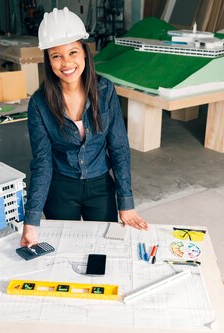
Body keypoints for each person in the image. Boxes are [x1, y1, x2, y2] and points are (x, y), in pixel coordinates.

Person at [21, 8, 148, 247]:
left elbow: (119, 147)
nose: (66, 63)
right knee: (67, 249)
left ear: (85, 54)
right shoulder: (39, 103)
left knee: (102, 249)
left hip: (100, 186)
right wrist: (31, 220)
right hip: (60, 189)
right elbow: (42, 162)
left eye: (72, 52)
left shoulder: (105, 91)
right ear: (48, 59)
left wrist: (126, 203)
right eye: (56, 56)